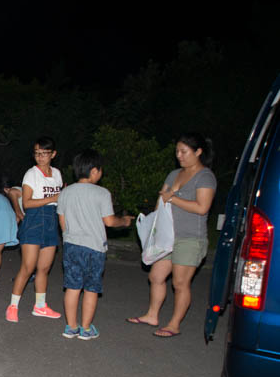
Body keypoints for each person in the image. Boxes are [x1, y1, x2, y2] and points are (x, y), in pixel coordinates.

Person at [127, 134, 217, 337]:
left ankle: (174, 324)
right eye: (177, 151)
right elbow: (162, 198)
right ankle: (152, 315)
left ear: (198, 152)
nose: (179, 155)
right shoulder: (174, 174)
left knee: (180, 283)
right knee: (156, 276)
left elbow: (202, 208)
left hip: (190, 237)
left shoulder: (205, 177)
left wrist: (174, 199)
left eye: (184, 151)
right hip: (167, 236)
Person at [57, 150, 134, 339]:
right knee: (91, 288)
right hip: (94, 247)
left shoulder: (66, 192)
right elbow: (109, 221)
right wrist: (124, 221)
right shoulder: (102, 193)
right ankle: (86, 328)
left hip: (72, 245)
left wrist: (69, 237)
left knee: (72, 287)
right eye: (100, 170)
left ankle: (71, 327)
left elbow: (62, 222)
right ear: (94, 171)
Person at [6, 137, 64, 323]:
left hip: (51, 221)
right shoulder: (31, 174)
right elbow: (28, 203)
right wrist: (53, 197)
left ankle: (40, 306)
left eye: (44, 153)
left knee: (44, 268)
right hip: (34, 220)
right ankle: (13, 306)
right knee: (28, 267)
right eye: (37, 153)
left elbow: (60, 201)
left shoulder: (57, 174)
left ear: (53, 154)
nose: (40, 157)